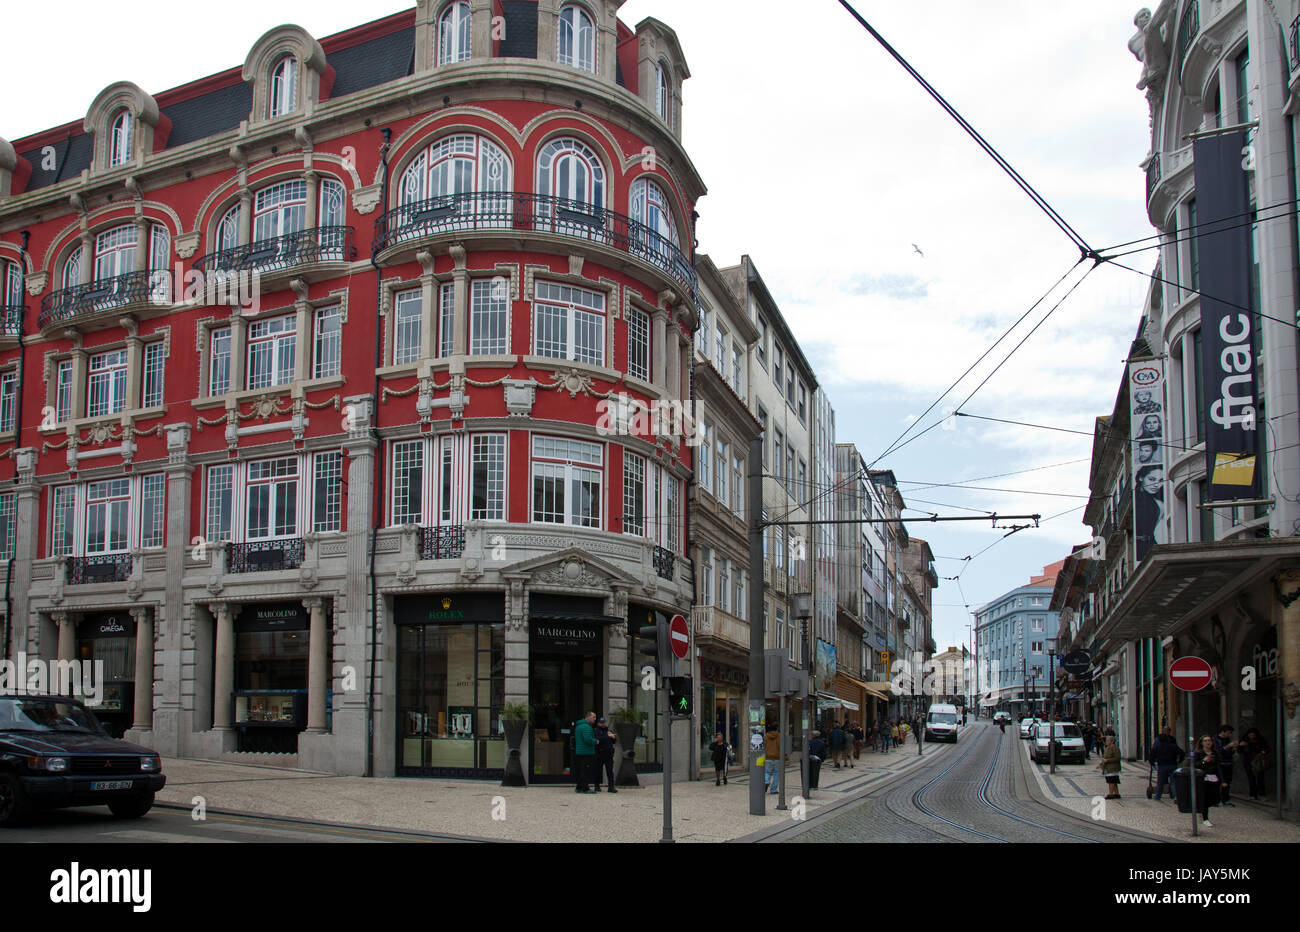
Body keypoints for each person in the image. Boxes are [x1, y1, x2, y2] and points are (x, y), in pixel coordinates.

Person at [1147, 726, 1185, 802]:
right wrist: (1179, 761)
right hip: (1172, 765)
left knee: (1160, 782)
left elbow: (1151, 756)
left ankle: (1158, 796)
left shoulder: (1157, 746)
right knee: (1173, 782)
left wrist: (1152, 763)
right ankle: (1175, 797)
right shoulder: (1173, 746)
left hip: (1162, 765)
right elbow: (1182, 753)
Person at [1191, 735, 1221, 826]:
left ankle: (1202, 810)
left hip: (1214, 777)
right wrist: (1204, 761)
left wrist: (1222, 779)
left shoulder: (1215, 753)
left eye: (1209, 740)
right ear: (1202, 743)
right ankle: (1205, 818)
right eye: (1205, 741)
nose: (1208, 742)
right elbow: (1194, 765)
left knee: (1215, 798)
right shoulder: (1198, 753)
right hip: (1203, 778)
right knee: (1205, 798)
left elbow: (1218, 766)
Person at [1239, 727, 1270, 800]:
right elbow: (1240, 751)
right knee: (1251, 778)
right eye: (1250, 735)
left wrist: (1264, 751)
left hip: (1258, 761)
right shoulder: (1245, 741)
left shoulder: (1261, 740)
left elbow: (1267, 748)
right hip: (1248, 760)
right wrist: (1240, 746)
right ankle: (1253, 794)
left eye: (1253, 735)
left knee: (1260, 778)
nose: (1252, 737)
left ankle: (1262, 794)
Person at [1212, 725, 1238, 806]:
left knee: (1227, 782)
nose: (1230, 735)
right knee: (1217, 781)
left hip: (1228, 762)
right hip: (1219, 763)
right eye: (1229, 733)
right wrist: (1227, 747)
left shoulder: (1227, 740)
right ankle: (1215, 800)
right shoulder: (1215, 739)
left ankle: (1225, 799)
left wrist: (1233, 749)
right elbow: (1217, 751)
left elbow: (1229, 752)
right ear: (1222, 732)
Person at [573, 711, 597, 794]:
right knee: (586, 771)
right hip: (586, 752)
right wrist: (595, 741)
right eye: (593, 717)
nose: (595, 719)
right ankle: (585, 788)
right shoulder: (586, 727)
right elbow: (587, 739)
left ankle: (579, 787)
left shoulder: (578, 726)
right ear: (588, 717)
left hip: (579, 752)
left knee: (581, 770)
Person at [593, 715, 617, 793]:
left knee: (610, 771)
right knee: (597, 770)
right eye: (601, 723)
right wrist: (607, 736)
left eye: (603, 722)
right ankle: (597, 786)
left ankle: (611, 787)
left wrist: (613, 737)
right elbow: (597, 739)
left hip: (609, 754)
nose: (603, 724)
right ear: (598, 723)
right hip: (600, 753)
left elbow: (614, 741)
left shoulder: (608, 730)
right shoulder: (596, 730)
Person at [1097, 735, 1122, 799]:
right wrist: (1101, 763)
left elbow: (1117, 758)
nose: (1106, 742)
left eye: (1108, 741)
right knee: (1113, 781)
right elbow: (1105, 757)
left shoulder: (1115, 748)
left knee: (1111, 781)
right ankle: (1117, 793)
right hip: (1108, 768)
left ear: (1112, 741)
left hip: (1113, 768)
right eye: (1106, 741)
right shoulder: (1107, 748)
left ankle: (1110, 794)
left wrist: (1107, 760)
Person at [763, 726, 782, 795]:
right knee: (776, 773)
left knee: (767, 772)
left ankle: (766, 781)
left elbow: (763, 746)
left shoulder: (765, 736)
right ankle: (773, 790)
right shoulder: (779, 736)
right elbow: (781, 747)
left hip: (767, 757)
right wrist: (785, 757)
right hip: (777, 757)